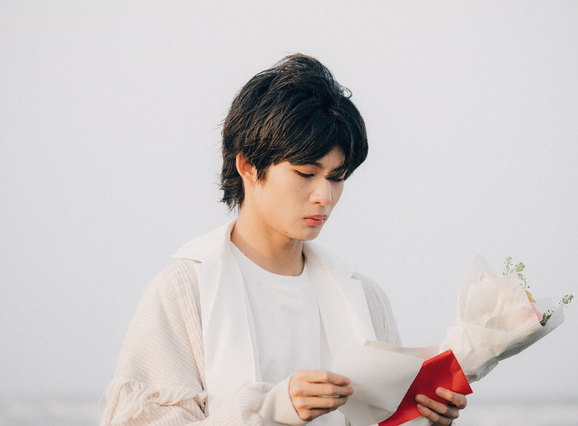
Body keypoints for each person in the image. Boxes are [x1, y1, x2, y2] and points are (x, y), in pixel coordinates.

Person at [101, 54, 467, 426]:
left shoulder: (364, 297)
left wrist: (426, 419)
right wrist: (270, 410)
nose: (324, 196)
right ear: (247, 166)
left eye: (337, 177)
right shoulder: (184, 291)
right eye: (306, 173)